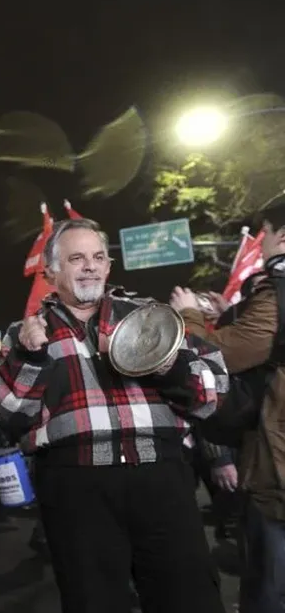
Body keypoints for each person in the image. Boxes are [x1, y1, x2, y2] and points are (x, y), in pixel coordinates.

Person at [0, 218, 228, 613]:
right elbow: (5, 414)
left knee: (189, 597)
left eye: (98, 257)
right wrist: (29, 356)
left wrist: (163, 363)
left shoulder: (152, 317)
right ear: (51, 273)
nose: (90, 266)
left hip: (160, 477)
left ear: (109, 267)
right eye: (76, 258)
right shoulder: (24, 333)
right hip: (77, 487)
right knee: (94, 602)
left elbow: (212, 392)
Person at [169, 197, 285, 612]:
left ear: (281, 236)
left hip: (278, 473)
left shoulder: (279, 288)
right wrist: (234, 312)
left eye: (264, 235)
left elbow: (218, 355)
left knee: (270, 587)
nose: (261, 244)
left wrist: (189, 317)